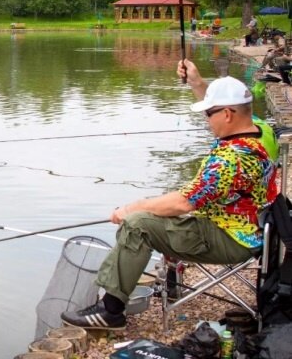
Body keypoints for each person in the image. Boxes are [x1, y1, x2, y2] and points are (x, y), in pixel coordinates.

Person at [60, 62, 278, 331]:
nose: (207, 120)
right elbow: (223, 113)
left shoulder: (230, 160)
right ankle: (154, 284)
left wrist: (130, 208)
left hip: (230, 240)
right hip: (250, 231)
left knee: (138, 224)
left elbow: (183, 202)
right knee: (154, 210)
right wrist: (198, 84)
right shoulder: (259, 132)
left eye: (210, 114)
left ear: (228, 115)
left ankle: (111, 311)